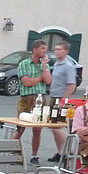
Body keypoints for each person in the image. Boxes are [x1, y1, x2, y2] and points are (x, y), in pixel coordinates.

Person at [15, 39, 51, 167]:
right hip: (26, 98)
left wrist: (45, 68)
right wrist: (40, 78)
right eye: (42, 48)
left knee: (37, 129)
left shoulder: (44, 65)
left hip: (40, 97)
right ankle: (12, 153)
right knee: (20, 127)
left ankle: (34, 155)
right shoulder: (24, 64)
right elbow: (27, 82)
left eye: (45, 49)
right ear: (35, 49)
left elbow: (48, 81)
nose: (45, 51)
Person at [47, 41, 78, 163]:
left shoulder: (68, 66)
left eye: (60, 49)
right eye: (56, 49)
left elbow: (72, 85)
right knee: (53, 126)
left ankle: (69, 151)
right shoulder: (57, 64)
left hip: (60, 98)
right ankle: (60, 152)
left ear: (66, 51)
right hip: (54, 97)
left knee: (56, 127)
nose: (57, 51)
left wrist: (64, 100)